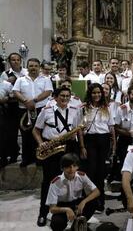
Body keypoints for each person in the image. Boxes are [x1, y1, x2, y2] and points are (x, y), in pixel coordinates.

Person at [32, 87, 82, 226]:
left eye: (67, 96)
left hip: (68, 147)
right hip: (51, 148)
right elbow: (36, 130)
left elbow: (77, 130)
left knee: (69, 180)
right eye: (62, 96)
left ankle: (67, 211)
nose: (65, 98)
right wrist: (41, 144)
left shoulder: (74, 110)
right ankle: (43, 213)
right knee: (49, 181)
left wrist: (77, 142)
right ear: (55, 97)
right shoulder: (46, 110)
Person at [79, 83, 116, 211]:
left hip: (103, 140)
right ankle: (90, 201)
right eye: (94, 93)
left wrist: (114, 145)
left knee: (101, 172)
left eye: (99, 92)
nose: (97, 95)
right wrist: (82, 146)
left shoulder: (106, 107)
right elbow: (80, 129)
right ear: (90, 94)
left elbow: (111, 127)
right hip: (90, 141)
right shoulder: (84, 108)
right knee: (91, 171)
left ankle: (100, 201)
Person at [13, 58, 53, 167]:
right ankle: (26, 159)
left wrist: (34, 100)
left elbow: (48, 91)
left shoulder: (45, 79)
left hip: (41, 110)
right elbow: (15, 92)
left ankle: (40, 158)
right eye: (31, 66)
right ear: (27, 67)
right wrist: (26, 101)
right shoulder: (21, 80)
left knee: (40, 134)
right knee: (26, 134)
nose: (33, 68)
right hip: (24, 110)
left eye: (36, 66)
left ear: (39, 67)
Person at [46, 153, 100, 231]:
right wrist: (67, 209)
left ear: (77, 166)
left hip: (77, 203)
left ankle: (77, 224)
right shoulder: (55, 182)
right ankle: (76, 225)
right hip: (62, 206)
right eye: (68, 166)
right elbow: (52, 209)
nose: (71, 169)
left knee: (94, 202)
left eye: (74, 166)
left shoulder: (82, 176)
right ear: (62, 168)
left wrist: (84, 202)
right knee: (56, 223)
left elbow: (97, 192)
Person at [1, 52, 27, 164]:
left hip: (24, 106)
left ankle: (27, 156)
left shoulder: (26, 72)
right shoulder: (5, 74)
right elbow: (3, 93)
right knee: (11, 133)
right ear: (9, 62)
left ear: (20, 61)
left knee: (26, 132)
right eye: (13, 60)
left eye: (17, 59)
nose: (15, 61)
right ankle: (13, 154)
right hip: (11, 107)